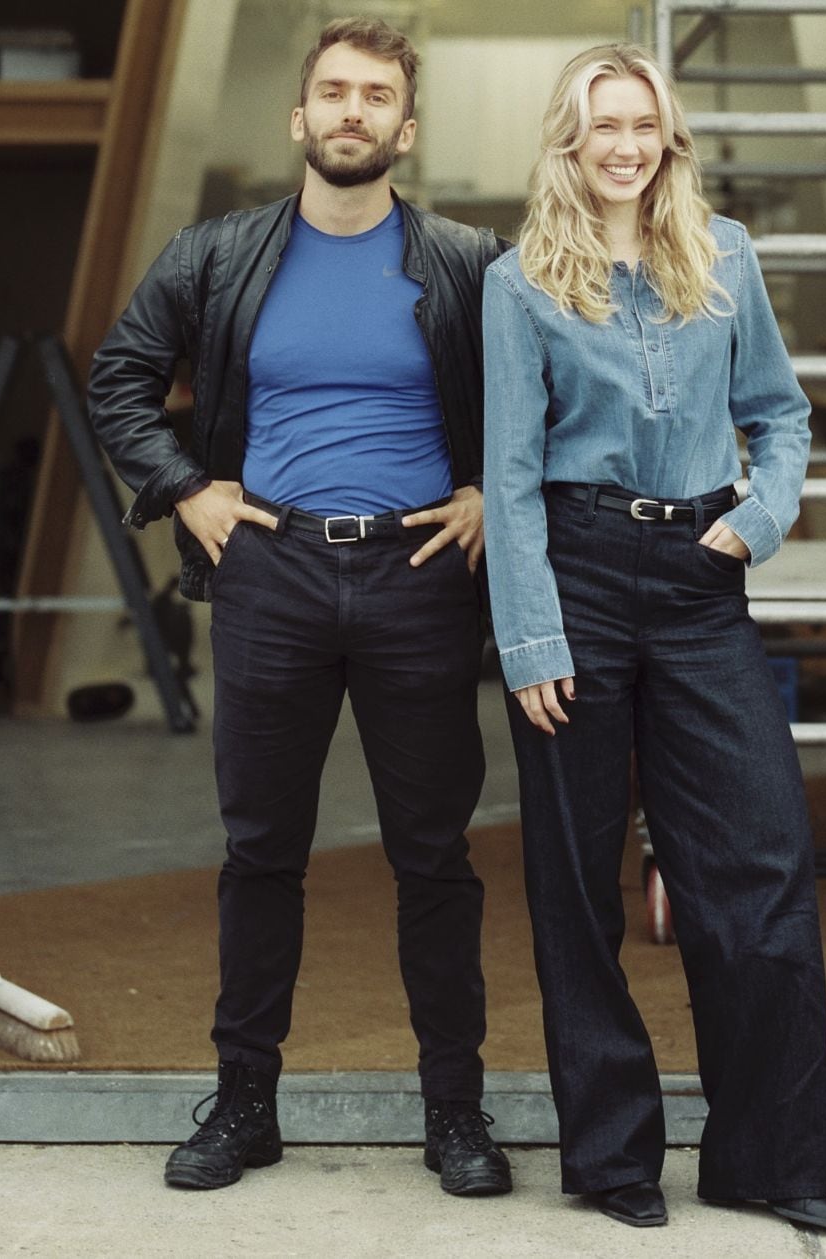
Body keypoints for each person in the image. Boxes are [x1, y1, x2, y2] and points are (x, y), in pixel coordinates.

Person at [89, 16, 510, 1198]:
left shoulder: (468, 262)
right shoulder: (215, 255)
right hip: (270, 572)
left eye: (376, 96)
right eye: (334, 91)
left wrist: (490, 493)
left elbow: (545, 393)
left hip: (419, 575)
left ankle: (457, 1112)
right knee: (260, 847)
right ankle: (245, 1105)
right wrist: (183, 489)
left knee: (434, 854)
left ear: (404, 129)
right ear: (301, 117)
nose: (352, 111)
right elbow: (117, 374)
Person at [481, 45, 826, 1234]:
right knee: (574, 883)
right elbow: (509, 471)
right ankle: (612, 1157)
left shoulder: (726, 255)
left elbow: (781, 415)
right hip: (577, 575)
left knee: (759, 859)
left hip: (700, 579)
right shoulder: (519, 281)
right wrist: (532, 635)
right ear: (569, 140)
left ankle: (771, 1156)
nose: (625, 145)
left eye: (643, 123)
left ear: (668, 135)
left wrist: (756, 521)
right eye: (603, 125)